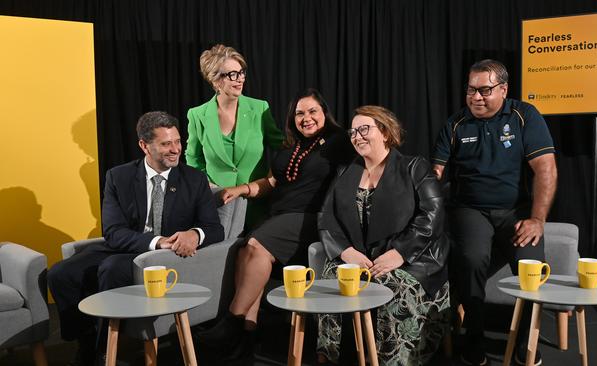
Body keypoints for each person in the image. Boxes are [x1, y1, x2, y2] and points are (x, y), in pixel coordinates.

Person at [48, 111, 224, 366]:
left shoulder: (194, 179)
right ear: (144, 145)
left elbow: (215, 228)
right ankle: (85, 338)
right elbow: (113, 231)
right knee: (60, 274)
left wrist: (194, 234)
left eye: (177, 141)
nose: (175, 149)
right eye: (166, 144)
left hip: (163, 257)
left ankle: (102, 353)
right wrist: (157, 240)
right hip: (127, 245)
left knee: (110, 270)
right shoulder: (117, 177)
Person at [195, 88, 353, 361]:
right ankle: (247, 333)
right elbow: (271, 182)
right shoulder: (288, 146)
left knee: (256, 244)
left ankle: (231, 322)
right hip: (279, 215)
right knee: (245, 249)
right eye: (299, 113)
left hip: (310, 217)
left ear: (324, 113)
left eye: (313, 111)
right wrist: (241, 189)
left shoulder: (338, 142)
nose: (306, 118)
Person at [432, 59, 557, 366]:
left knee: (531, 267)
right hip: (469, 209)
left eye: (484, 90)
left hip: (516, 212)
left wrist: (537, 219)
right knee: (472, 259)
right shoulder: (456, 124)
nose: (476, 97)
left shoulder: (524, 115)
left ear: (503, 89)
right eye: (471, 90)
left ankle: (524, 341)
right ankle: (473, 339)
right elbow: (434, 175)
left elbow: (546, 169)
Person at [317, 106, 451, 366]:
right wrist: (346, 251)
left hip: (414, 259)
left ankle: (392, 360)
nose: (357, 136)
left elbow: (432, 216)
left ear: (386, 133)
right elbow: (325, 217)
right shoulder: (345, 171)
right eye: (353, 131)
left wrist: (399, 252)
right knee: (331, 277)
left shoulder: (414, 166)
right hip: (360, 258)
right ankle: (332, 356)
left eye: (364, 129)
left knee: (391, 284)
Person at [185, 44, 284, 227]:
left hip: (257, 203)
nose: (240, 79)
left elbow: (282, 146)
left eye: (241, 72)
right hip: (218, 205)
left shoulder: (260, 108)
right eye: (232, 74)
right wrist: (207, 186)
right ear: (215, 81)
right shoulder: (197, 115)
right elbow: (193, 158)